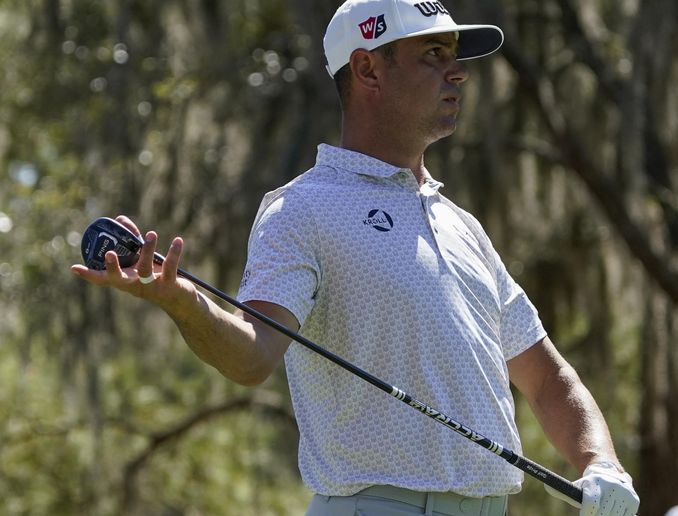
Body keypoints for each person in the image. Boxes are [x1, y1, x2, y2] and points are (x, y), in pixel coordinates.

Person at [70, 0, 641, 514]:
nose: (458, 70)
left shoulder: (461, 224)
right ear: (368, 68)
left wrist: (601, 462)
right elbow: (253, 355)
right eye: (433, 54)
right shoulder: (303, 209)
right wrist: (186, 304)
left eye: (454, 55)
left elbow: (546, 377)